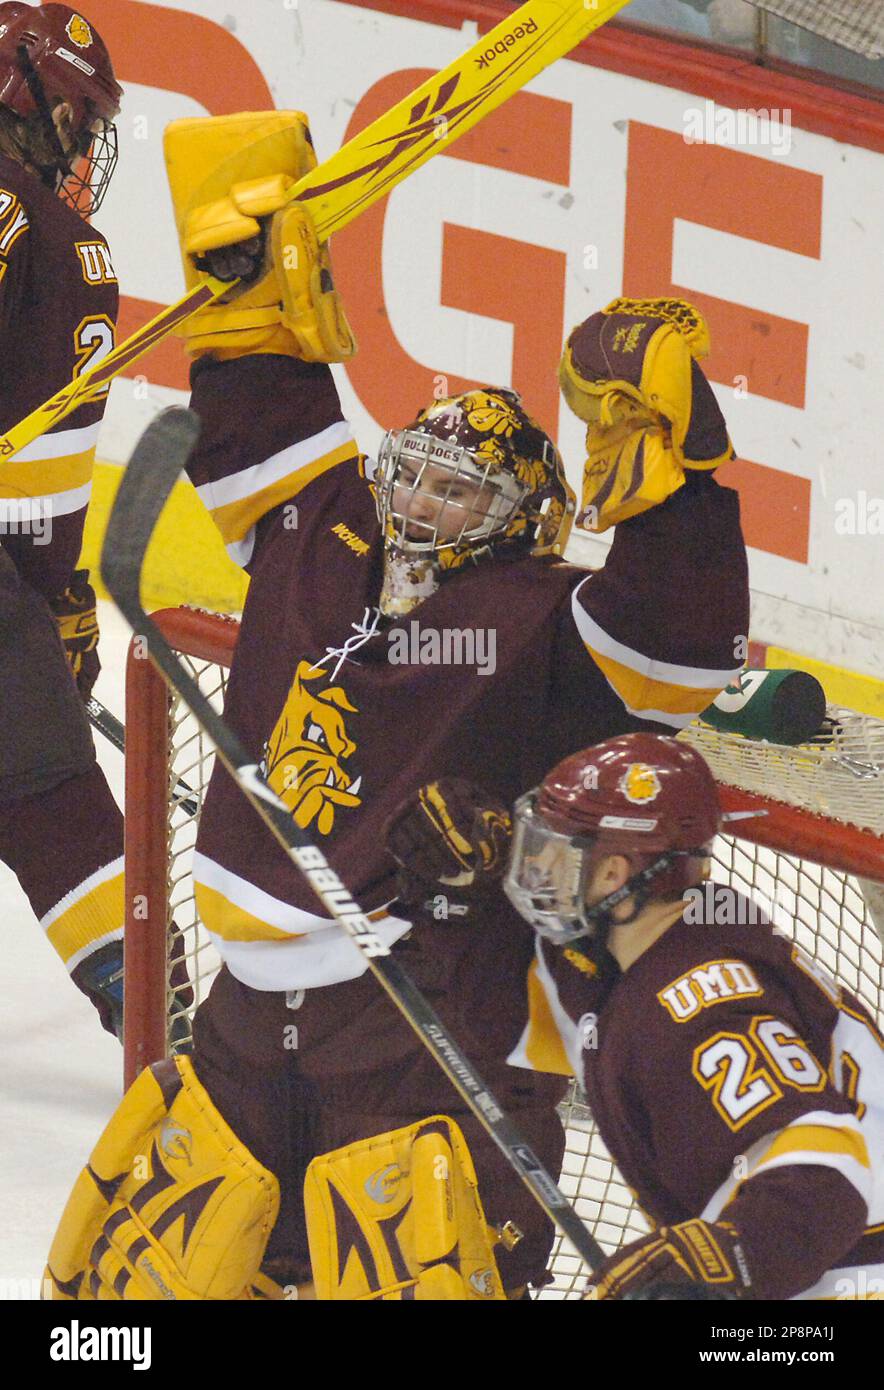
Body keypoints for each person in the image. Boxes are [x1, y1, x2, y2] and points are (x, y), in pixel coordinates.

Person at [46, 109, 750, 1299]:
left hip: (421, 1022)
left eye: (459, 492)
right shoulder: (323, 539)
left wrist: (676, 465)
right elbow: (268, 404)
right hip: (240, 1021)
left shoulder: (538, 615)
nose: (421, 507)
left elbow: (680, 639)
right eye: (409, 475)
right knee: (138, 1290)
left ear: (521, 521)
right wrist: (251, 263)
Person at [496, 732, 883, 1299]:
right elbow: (552, 1001)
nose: (536, 868)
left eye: (554, 851)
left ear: (612, 877)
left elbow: (825, 1169)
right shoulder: (677, 939)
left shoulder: (697, 1001)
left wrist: (727, 1266)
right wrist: (460, 897)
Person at [0, 2, 131, 1035]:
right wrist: (60, 610)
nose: (83, 147)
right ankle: (167, 1022)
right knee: (46, 787)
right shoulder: (62, 251)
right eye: (78, 120)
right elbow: (37, 486)